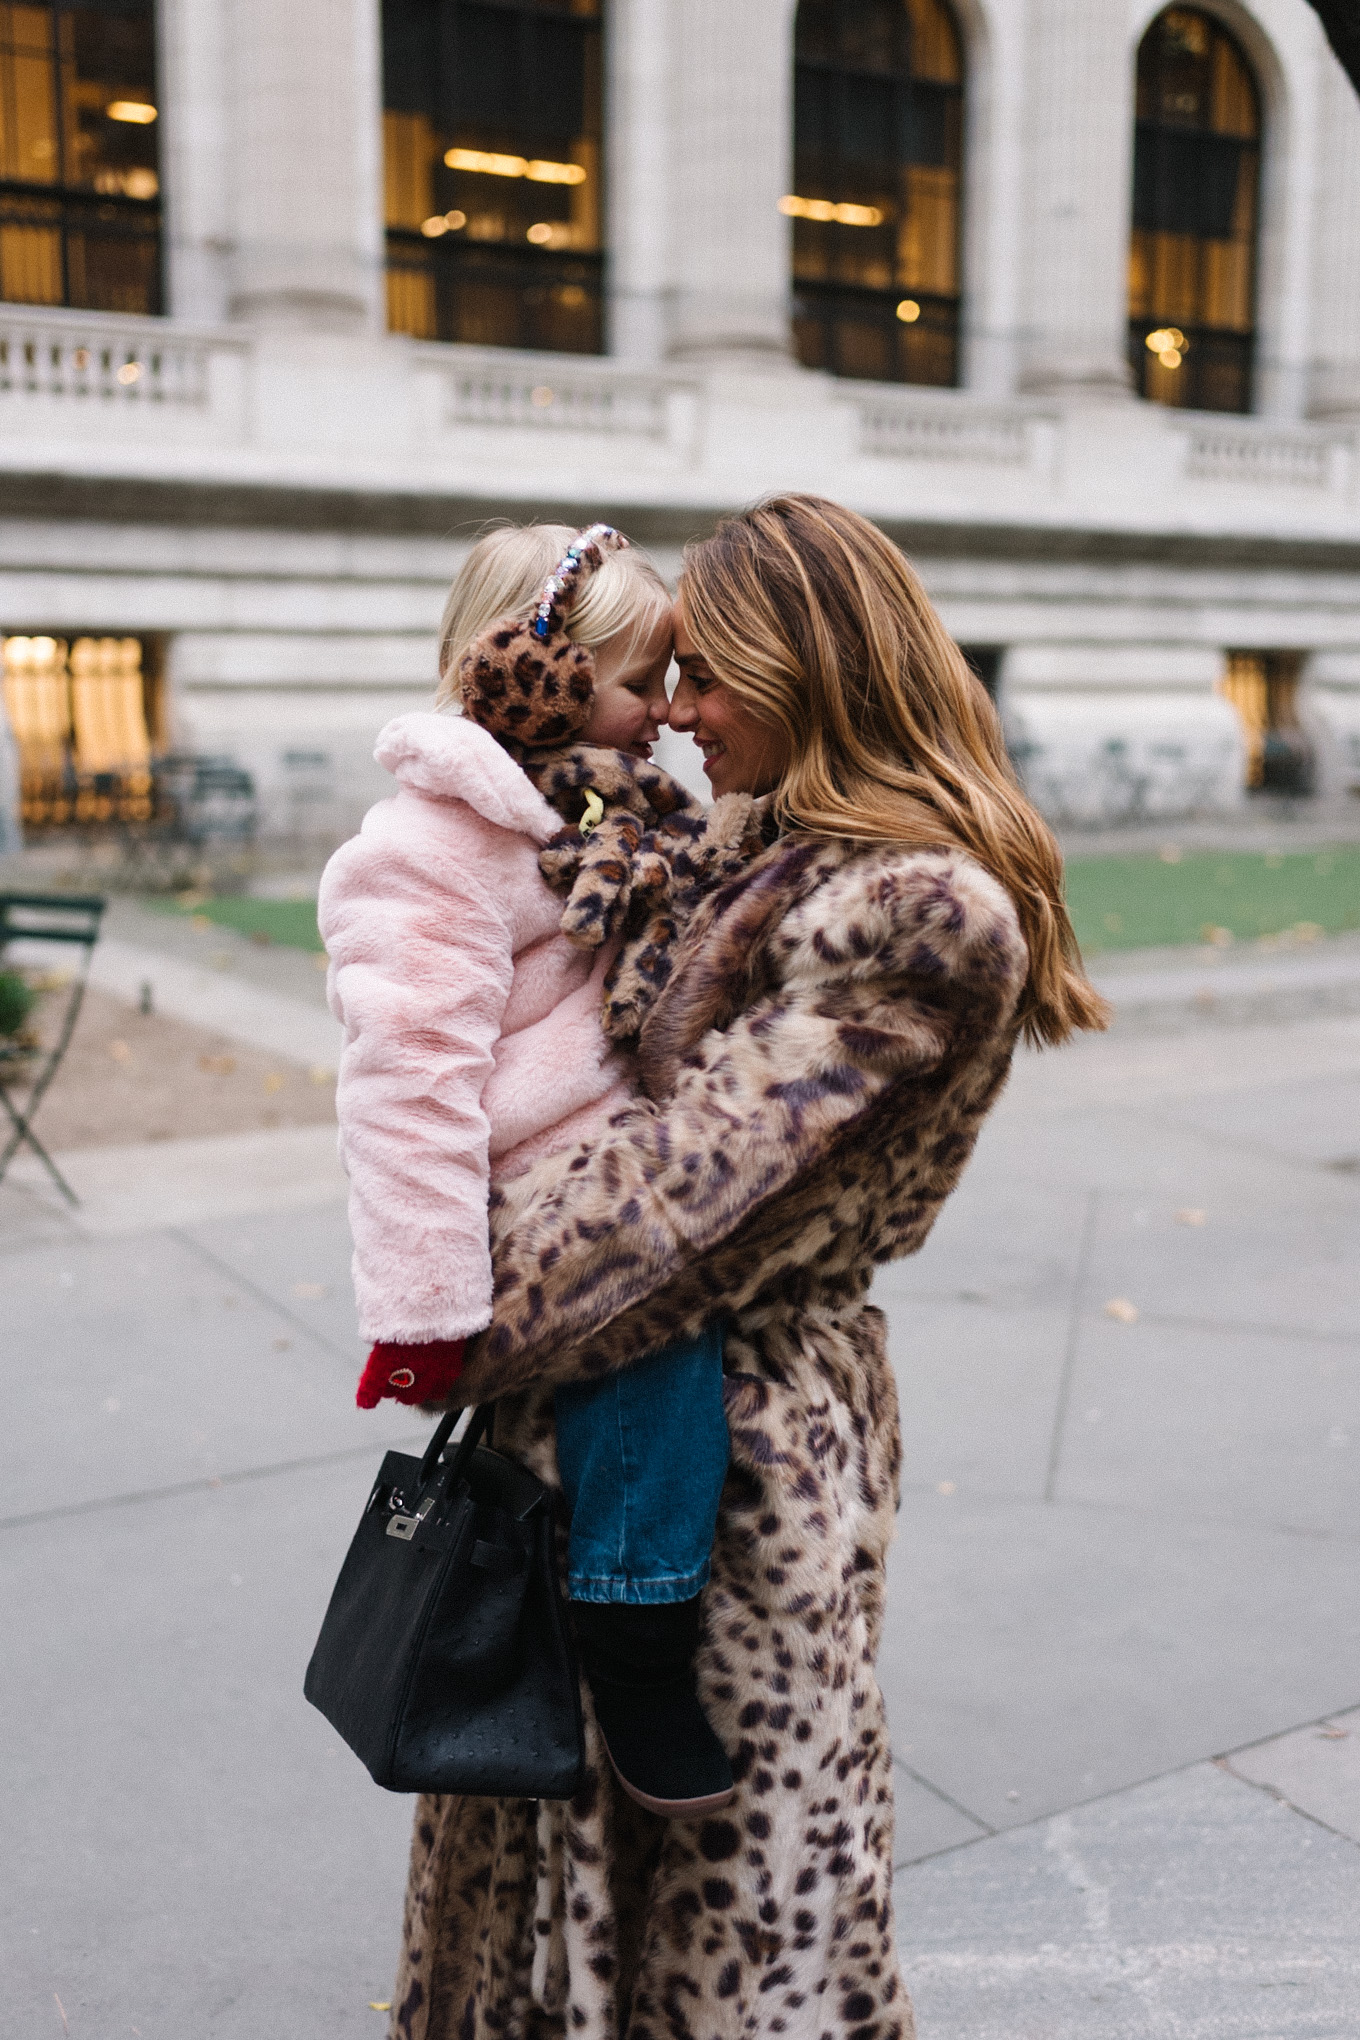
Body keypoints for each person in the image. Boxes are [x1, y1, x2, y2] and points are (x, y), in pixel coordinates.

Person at [386, 494, 1109, 2040]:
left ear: (812, 670)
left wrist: (443, 1275)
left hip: (738, 1493)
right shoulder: (746, 841)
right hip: (580, 1469)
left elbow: (654, 1222)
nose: (681, 715)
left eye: (709, 678)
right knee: (545, 1900)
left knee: (728, 1940)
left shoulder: (912, 917)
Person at [319, 522, 744, 1819]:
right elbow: (406, 1088)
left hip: (624, 1149)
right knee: (651, 1341)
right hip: (542, 1192)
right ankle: (633, 1632)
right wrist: (422, 1311)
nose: (663, 714)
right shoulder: (430, 849)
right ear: (536, 676)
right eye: (638, 683)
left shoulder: (604, 803)